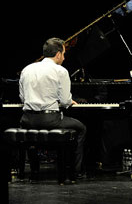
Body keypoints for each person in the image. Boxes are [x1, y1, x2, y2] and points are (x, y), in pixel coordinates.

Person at [19, 37, 87, 180]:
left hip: (27, 120)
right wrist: (69, 102)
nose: (64, 57)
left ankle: (34, 171)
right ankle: (75, 171)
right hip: (49, 120)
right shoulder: (60, 71)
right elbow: (64, 100)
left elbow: (23, 98)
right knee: (81, 128)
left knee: (32, 134)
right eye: (63, 53)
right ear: (58, 54)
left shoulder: (27, 69)